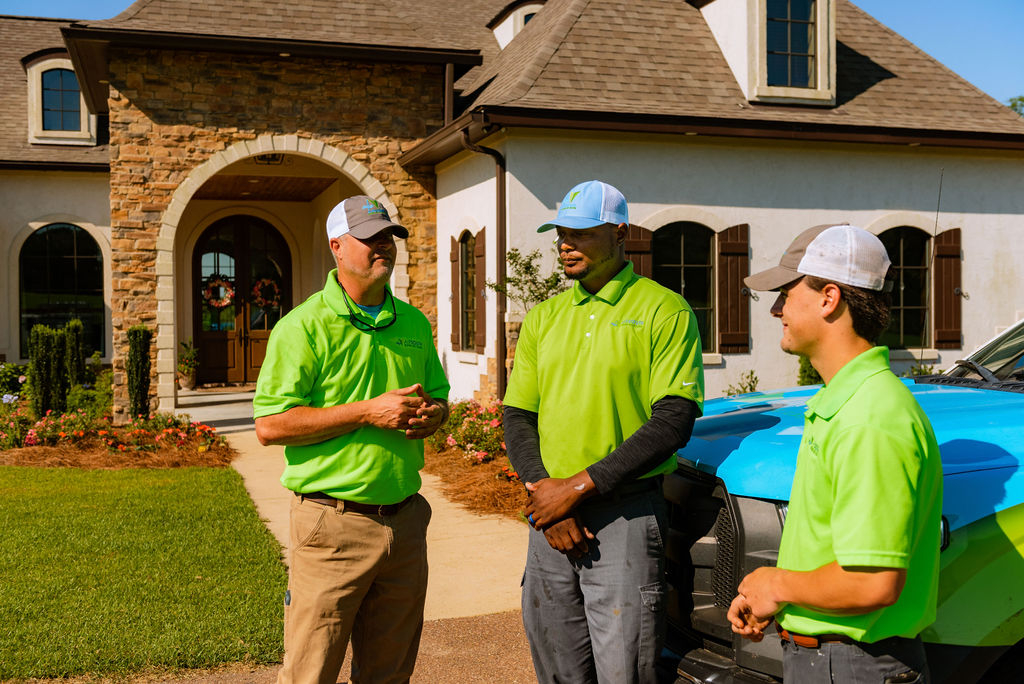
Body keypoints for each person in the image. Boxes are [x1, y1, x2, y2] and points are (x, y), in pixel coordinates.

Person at [502, 180, 705, 684]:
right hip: (548, 520)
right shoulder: (545, 318)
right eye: (561, 234)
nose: (566, 244)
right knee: (557, 668)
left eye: (582, 233)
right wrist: (545, 498)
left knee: (625, 673)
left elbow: (674, 420)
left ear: (619, 233)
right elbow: (517, 416)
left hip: (626, 516)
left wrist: (576, 489)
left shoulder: (664, 309)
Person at [727, 224, 943, 683]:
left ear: (829, 298)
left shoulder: (870, 417)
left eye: (786, 292)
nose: (775, 309)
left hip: (852, 666)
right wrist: (782, 600)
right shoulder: (847, 403)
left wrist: (776, 585)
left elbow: (872, 581)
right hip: (836, 661)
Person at [253, 195, 450, 684]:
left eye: (388, 237)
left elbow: (441, 399)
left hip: (404, 525)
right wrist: (367, 411)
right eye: (370, 239)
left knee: (389, 674)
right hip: (331, 526)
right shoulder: (302, 327)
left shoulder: (414, 323)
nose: (383, 247)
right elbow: (270, 425)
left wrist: (432, 416)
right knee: (309, 673)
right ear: (337, 247)